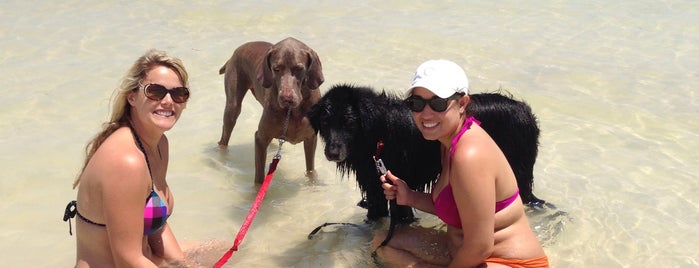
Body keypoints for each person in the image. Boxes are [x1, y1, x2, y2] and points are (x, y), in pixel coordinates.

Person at [373, 59, 549, 267]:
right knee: (382, 243)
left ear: (463, 104)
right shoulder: (447, 141)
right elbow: (462, 207)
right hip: (462, 252)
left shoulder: (469, 156)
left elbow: (481, 246)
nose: (426, 113)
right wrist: (410, 197)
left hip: (509, 262)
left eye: (438, 103)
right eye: (417, 103)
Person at [63, 49, 195, 267]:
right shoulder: (127, 161)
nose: (168, 101)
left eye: (179, 94)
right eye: (155, 91)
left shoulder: (159, 144)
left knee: (229, 248)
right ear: (132, 96)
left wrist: (180, 263)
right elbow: (127, 259)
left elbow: (156, 224)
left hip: (144, 260)